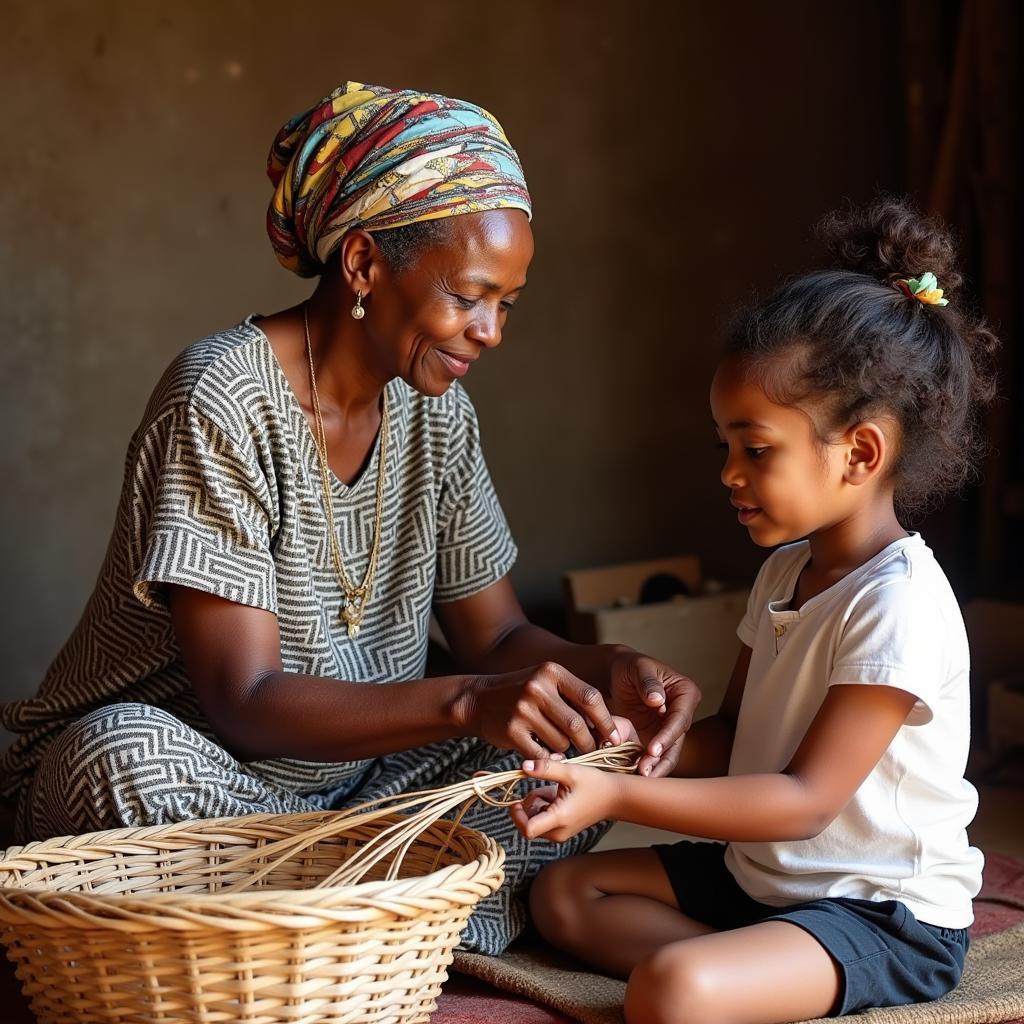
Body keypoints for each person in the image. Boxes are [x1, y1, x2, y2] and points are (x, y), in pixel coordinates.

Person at [0, 81, 701, 954]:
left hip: (361, 792)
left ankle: (319, 918)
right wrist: (471, 702)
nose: (490, 331)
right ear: (365, 264)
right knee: (118, 754)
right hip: (210, 785)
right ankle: (409, 911)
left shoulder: (438, 412)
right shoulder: (223, 395)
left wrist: (611, 669)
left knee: (590, 748)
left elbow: (496, 640)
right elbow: (246, 701)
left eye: (506, 305)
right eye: (470, 296)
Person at [510, 199, 996, 1019]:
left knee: (669, 989)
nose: (730, 474)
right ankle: (753, 978)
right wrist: (626, 755)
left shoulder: (899, 604)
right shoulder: (785, 573)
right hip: (763, 879)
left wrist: (620, 803)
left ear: (861, 453)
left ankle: (734, 980)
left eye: (756, 449)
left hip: (877, 914)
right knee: (562, 894)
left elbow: (806, 799)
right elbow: (735, 741)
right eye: (723, 449)